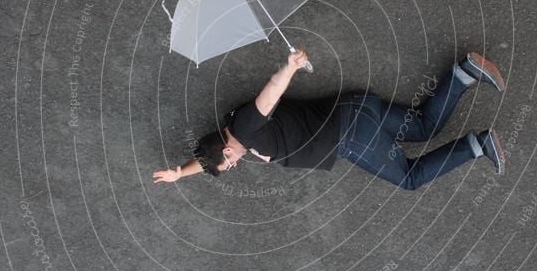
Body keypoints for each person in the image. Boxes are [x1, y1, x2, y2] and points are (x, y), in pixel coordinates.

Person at [152, 50, 506, 189]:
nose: (234, 167)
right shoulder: (237, 131)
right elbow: (210, 158)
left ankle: (477, 147)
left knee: (410, 179)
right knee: (425, 127)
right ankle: (464, 74)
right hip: (356, 108)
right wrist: (181, 172)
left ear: (228, 150)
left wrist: (288, 68)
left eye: (229, 165)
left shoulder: (244, 127)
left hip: (350, 136)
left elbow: (270, 94)